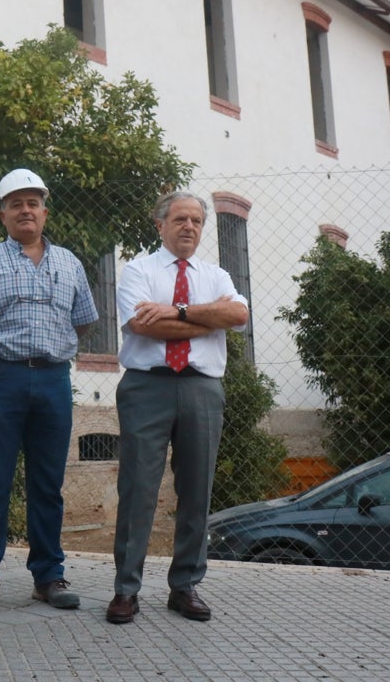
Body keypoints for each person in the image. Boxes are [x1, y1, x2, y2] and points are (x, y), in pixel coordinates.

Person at [0, 168, 98, 612]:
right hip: (0, 377)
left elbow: (83, 321)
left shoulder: (70, 263)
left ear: (45, 212)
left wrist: (50, 348)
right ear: (2, 214)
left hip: (53, 379)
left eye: (33, 203)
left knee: (48, 483)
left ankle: (48, 575)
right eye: (15, 204)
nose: (25, 210)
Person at [106, 190, 249, 625]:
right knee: (138, 488)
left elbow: (238, 316)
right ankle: (126, 589)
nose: (189, 227)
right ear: (160, 225)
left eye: (197, 221)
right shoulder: (139, 270)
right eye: (180, 219)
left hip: (202, 388)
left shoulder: (216, 275)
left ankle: (185, 585)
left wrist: (178, 311)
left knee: (197, 489)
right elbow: (142, 325)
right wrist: (207, 320)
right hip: (146, 387)